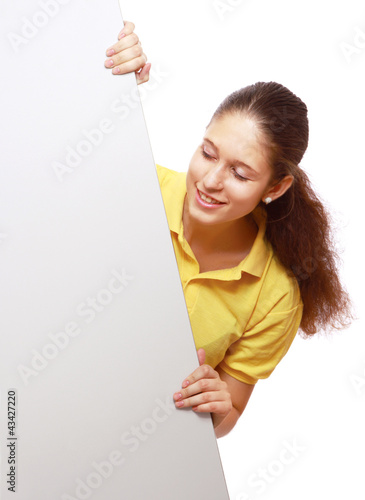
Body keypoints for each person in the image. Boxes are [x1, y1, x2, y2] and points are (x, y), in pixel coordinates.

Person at [104, 22, 352, 438]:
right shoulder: (137, 187)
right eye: (207, 152)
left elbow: (229, 412)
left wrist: (217, 404)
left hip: (136, 441)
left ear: (275, 188)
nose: (210, 180)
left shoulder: (276, 297)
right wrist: (113, 83)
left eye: (239, 173)